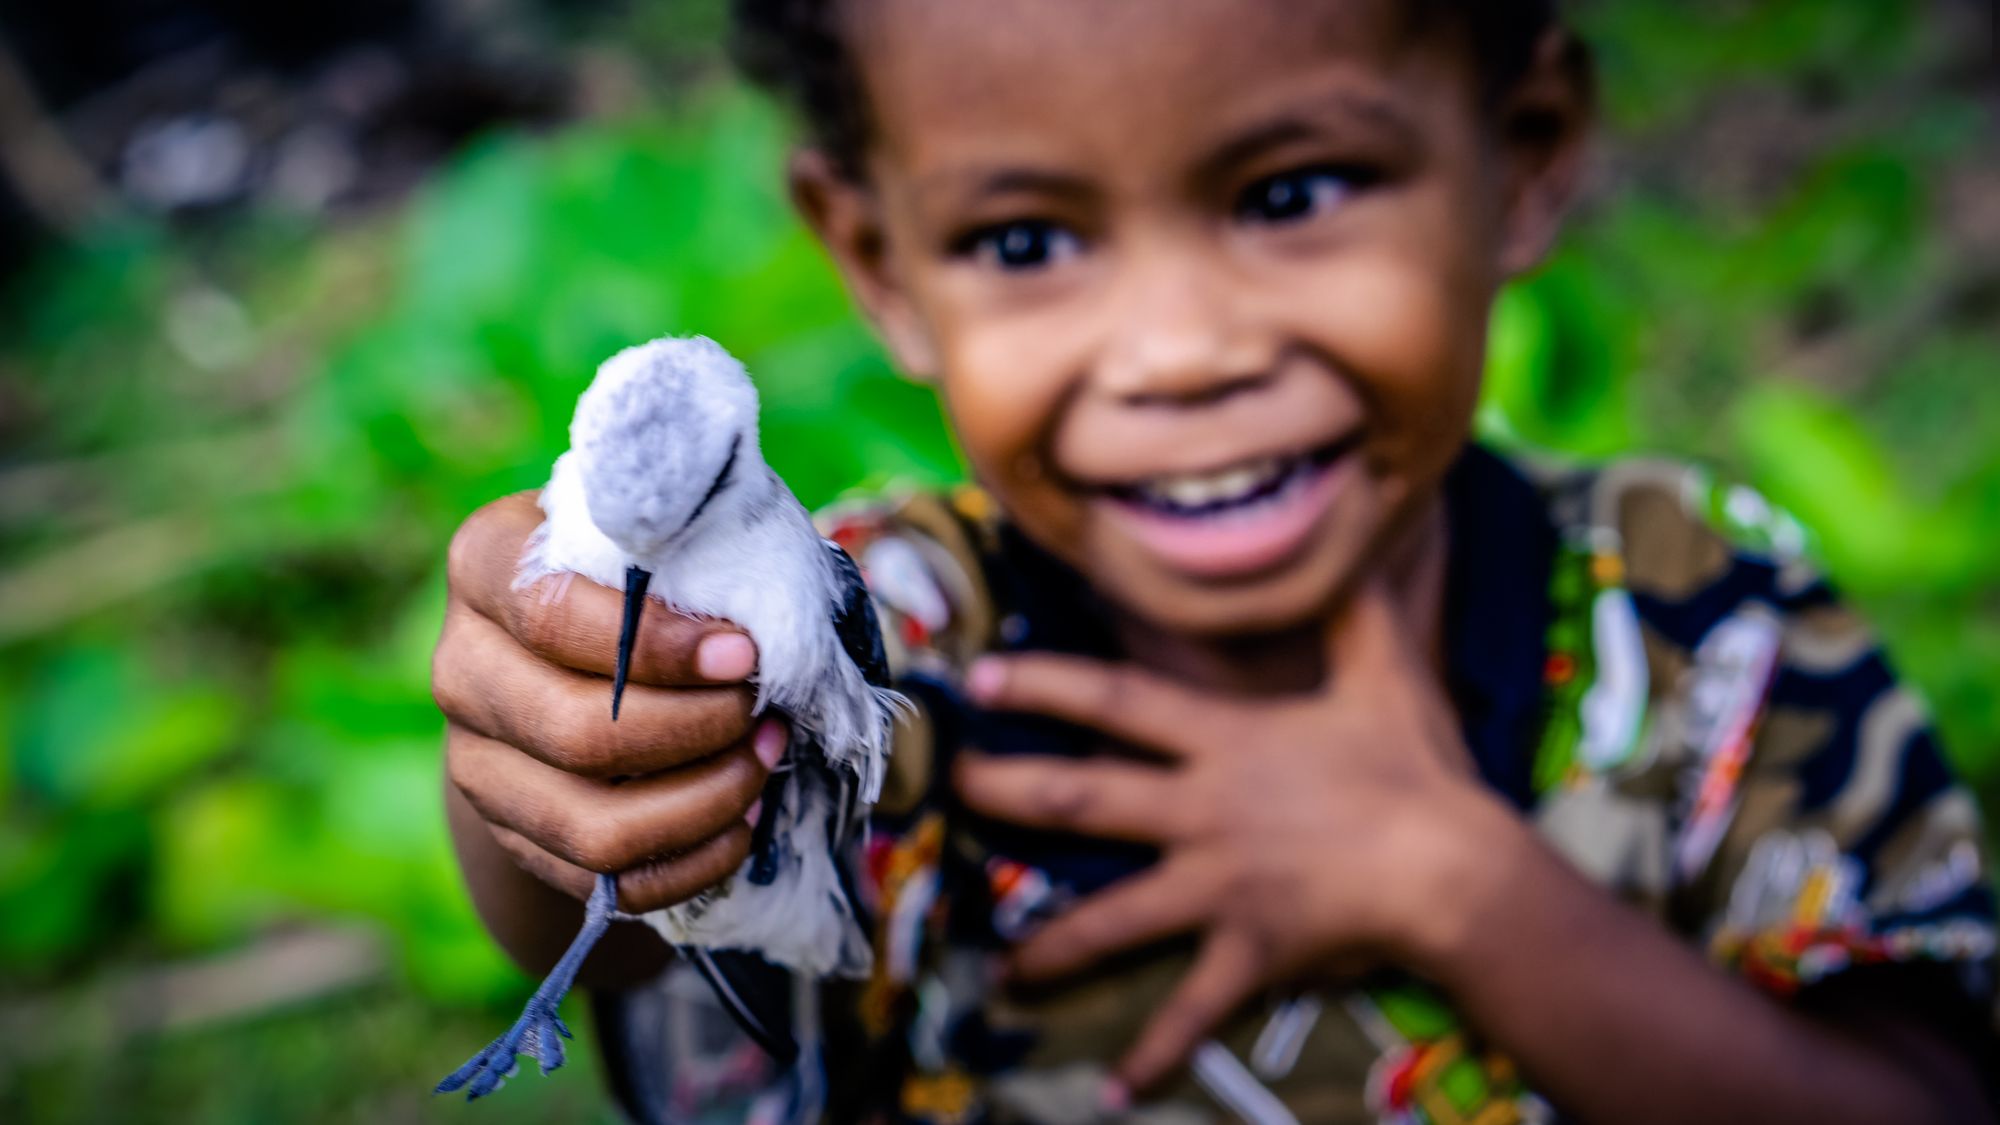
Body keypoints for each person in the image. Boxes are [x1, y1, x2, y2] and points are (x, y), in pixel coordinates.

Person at [430, 1, 2000, 1120]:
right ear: (878, 262)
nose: (1179, 353)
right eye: (1028, 240)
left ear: (1522, 155)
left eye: (1291, 194)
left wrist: (1462, 890)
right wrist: (555, 756)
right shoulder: (884, 633)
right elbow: (645, 918)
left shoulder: (1696, 615)